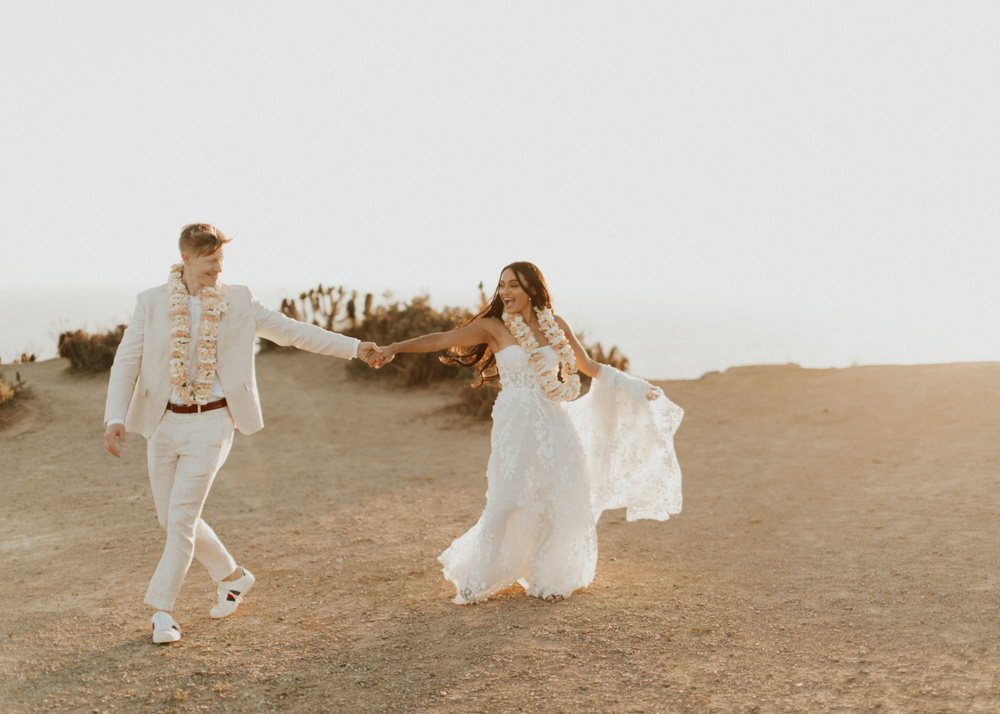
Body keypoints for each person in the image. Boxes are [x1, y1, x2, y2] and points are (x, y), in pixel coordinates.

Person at [102, 223, 382, 644]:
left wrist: (354, 347)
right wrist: (114, 417)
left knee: (180, 519)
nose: (218, 267)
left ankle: (162, 613)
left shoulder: (240, 300)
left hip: (212, 423)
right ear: (187, 259)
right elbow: (126, 362)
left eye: (221, 259)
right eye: (210, 259)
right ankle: (233, 576)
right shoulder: (151, 303)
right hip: (163, 423)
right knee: (172, 518)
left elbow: (293, 332)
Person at [377, 261, 683, 604]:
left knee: (556, 497)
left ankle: (547, 577)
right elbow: (443, 339)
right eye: (502, 285)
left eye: (514, 286)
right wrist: (395, 348)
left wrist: (636, 387)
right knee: (507, 499)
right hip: (514, 420)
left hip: (554, 421)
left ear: (532, 290)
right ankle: (479, 576)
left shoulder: (557, 326)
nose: (505, 292)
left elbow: (589, 367)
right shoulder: (493, 327)